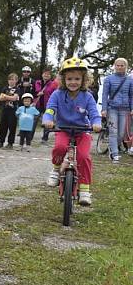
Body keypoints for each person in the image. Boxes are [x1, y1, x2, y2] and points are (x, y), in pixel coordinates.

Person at [43, 57, 102, 205]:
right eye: (69, 79)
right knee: (59, 147)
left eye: (77, 79)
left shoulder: (87, 96)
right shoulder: (57, 94)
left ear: (84, 80)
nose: (73, 82)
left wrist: (96, 123)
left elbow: (94, 113)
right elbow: (50, 108)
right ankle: (56, 169)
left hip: (83, 130)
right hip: (63, 129)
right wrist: (48, 119)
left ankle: (84, 190)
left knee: (83, 156)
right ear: (63, 79)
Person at [100, 57, 133, 162]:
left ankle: (112, 147)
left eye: (122, 65)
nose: (119, 67)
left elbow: (132, 95)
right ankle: (114, 153)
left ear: (125, 67)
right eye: (117, 65)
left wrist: (132, 108)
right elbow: (105, 95)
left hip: (125, 109)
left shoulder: (130, 80)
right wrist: (104, 109)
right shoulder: (108, 79)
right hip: (112, 109)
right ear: (114, 66)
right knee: (113, 131)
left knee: (121, 133)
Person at [0, 73, 22, 149]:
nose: (12, 81)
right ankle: (0, 142)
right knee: (2, 127)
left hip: (13, 110)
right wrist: (9, 97)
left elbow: (15, 98)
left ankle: (10, 144)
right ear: (8, 80)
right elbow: (0, 98)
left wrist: (6, 96)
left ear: (16, 81)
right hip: (4, 110)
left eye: (13, 79)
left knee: (12, 127)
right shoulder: (5, 88)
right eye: (10, 79)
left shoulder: (17, 89)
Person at [34, 69, 58, 144]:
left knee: (47, 121)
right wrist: (38, 94)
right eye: (45, 74)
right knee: (34, 121)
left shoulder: (53, 84)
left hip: (48, 105)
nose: (46, 75)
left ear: (50, 76)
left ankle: (45, 138)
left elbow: (55, 93)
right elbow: (35, 91)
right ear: (42, 75)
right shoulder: (38, 82)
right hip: (38, 104)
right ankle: (29, 137)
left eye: (48, 74)